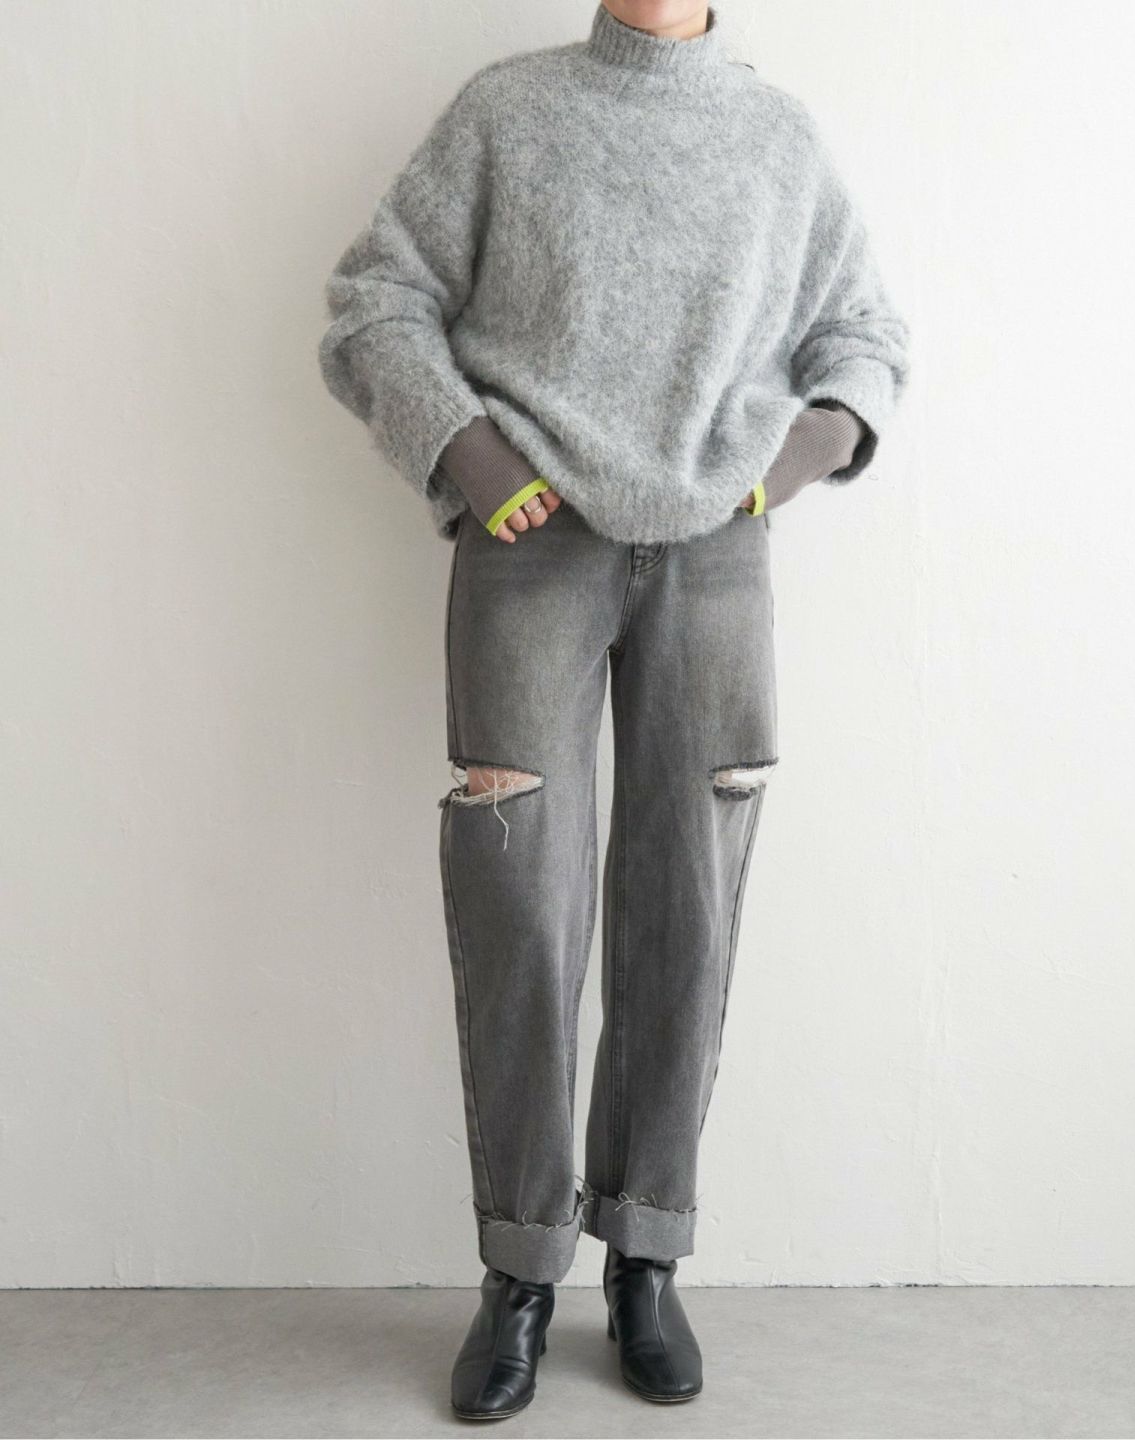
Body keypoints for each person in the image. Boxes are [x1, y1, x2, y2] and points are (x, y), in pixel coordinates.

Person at [318, 0, 910, 1419]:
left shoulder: (776, 136)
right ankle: (519, 1270)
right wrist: (468, 453)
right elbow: (374, 300)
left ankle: (647, 1256)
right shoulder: (508, 113)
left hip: (717, 560)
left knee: (684, 899)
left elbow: (868, 335)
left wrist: (789, 462)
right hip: (529, 552)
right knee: (520, 899)